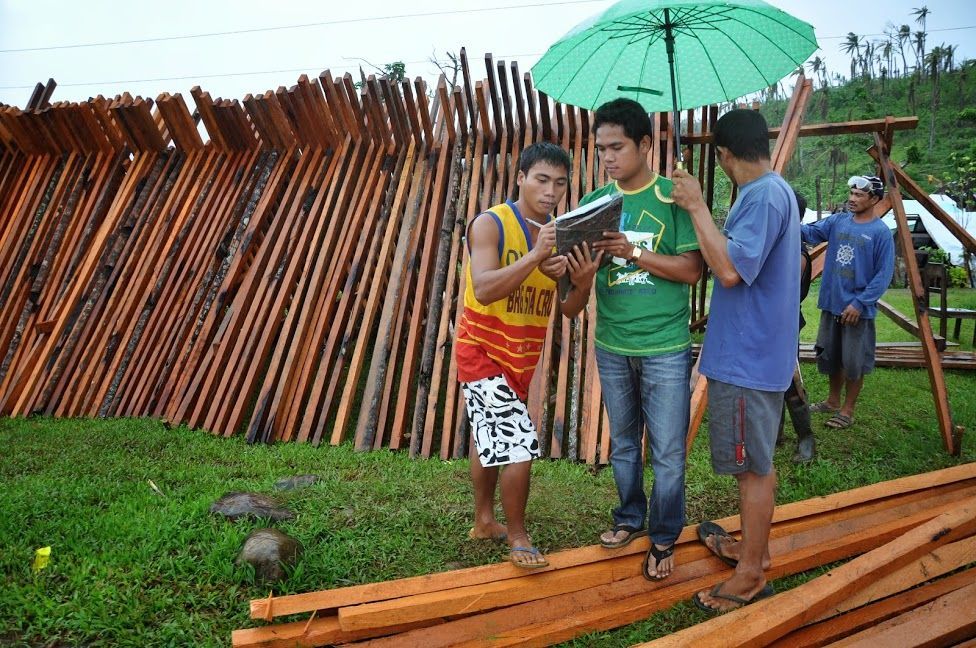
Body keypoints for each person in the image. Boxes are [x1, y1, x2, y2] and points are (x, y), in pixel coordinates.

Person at [560, 98, 703, 581]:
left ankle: (663, 537)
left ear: (645, 144)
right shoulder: (593, 205)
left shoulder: (673, 197)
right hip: (613, 344)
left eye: (616, 147)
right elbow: (574, 296)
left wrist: (633, 250)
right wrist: (581, 274)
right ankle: (628, 517)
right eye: (600, 149)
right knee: (623, 443)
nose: (607, 158)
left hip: (665, 345)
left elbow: (691, 270)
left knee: (667, 451)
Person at [671, 108, 799, 613]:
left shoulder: (764, 195)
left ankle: (749, 575)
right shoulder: (771, 192)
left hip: (748, 357)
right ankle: (754, 550)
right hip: (753, 353)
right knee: (754, 463)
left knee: (753, 469)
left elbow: (727, 270)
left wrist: (698, 208)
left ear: (723, 155)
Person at [455, 142, 571, 568]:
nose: (550, 191)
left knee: (490, 438)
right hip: (481, 350)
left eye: (559, 183)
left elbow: (570, 307)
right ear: (520, 177)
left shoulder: (560, 230)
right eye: (541, 179)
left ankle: (484, 520)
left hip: (521, 357)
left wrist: (581, 277)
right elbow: (483, 287)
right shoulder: (490, 224)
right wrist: (536, 257)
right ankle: (517, 536)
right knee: (519, 445)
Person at [801, 175, 895, 429]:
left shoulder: (880, 233)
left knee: (854, 362)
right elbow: (810, 232)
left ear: (874, 199)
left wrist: (860, 303)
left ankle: (848, 409)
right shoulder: (838, 222)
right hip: (832, 302)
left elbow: (883, 275)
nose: (852, 199)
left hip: (856, 310)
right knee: (831, 355)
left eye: (859, 195)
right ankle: (832, 401)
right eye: (851, 194)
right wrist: (786, 218)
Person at [777, 190, 816, 463]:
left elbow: (784, 298)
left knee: (791, 380)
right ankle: (775, 433)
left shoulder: (797, 253)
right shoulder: (777, 242)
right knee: (768, 380)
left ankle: (806, 439)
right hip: (765, 321)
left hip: (784, 321)